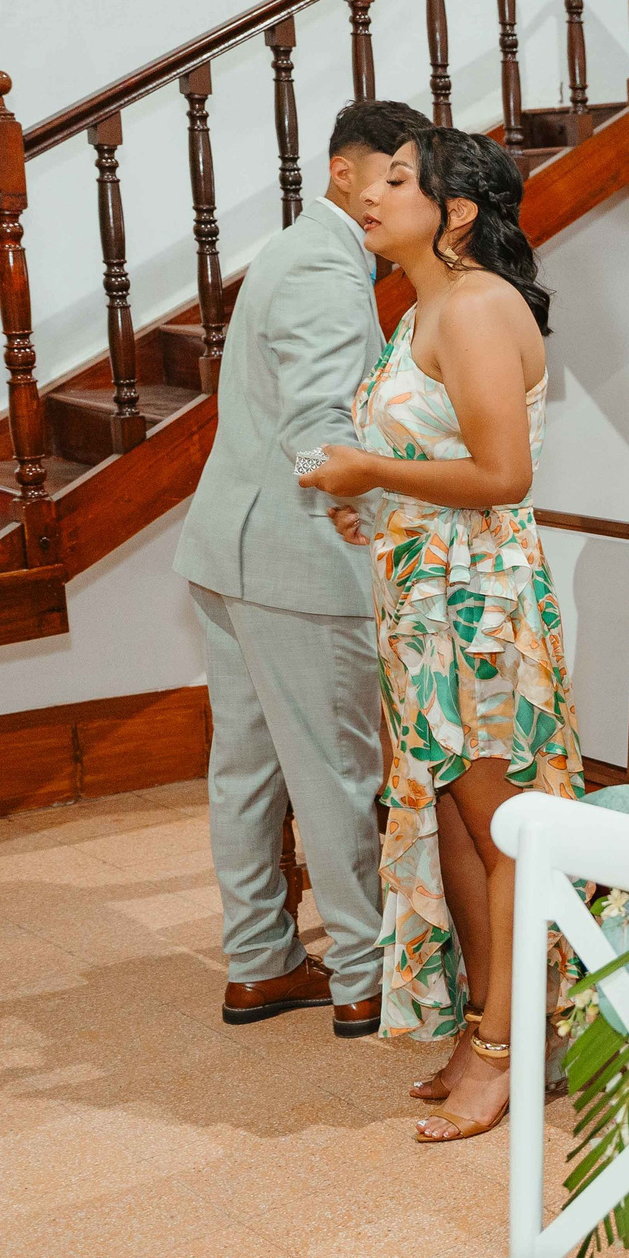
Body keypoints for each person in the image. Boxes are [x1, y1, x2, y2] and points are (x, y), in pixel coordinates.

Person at [296, 126, 580, 1142]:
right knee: (463, 825)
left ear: (456, 211)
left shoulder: (474, 306)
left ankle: (510, 1054)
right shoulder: (423, 306)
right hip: (424, 594)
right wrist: (366, 497)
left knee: (508, 831)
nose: (373, 193)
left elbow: (505, 476)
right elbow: (438, 457)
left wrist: (372, 476)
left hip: (476, 601)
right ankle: (483, 1028)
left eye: (400, 180)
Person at [176, 98, 427, 1041]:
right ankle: (362, 976)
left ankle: (259, 963)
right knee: (332, 770)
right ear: (342, 173)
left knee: (243, 770)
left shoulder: (289, 250)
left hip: (228, 549)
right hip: (293, 555)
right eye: (390, 176)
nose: (398, 196)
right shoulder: (327, 263)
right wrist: (373, 516)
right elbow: (317, 426)